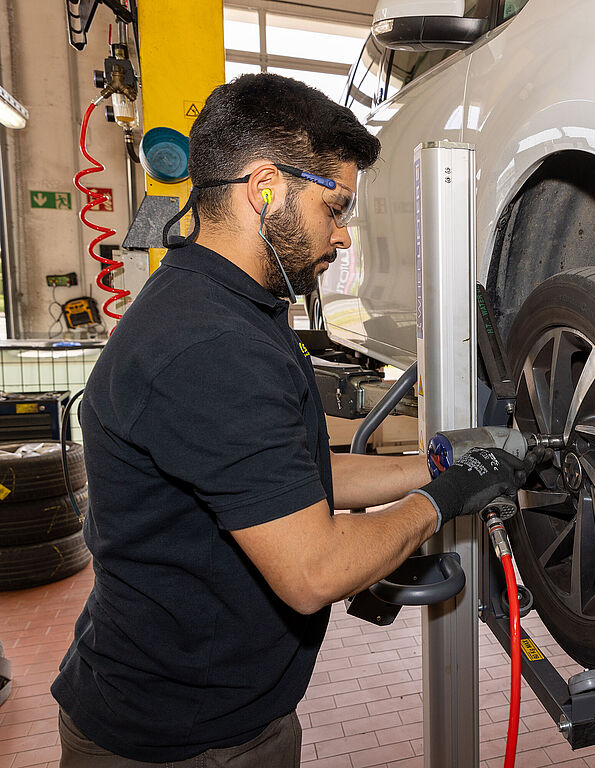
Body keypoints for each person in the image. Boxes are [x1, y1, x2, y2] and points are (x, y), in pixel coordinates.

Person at [52, 74, 539, 767]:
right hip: (178, 743)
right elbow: (313, 569)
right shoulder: (209, 346)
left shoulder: (230, 305)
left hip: (221, 714)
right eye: (334, 206)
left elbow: (295, 475)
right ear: (265, 188)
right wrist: (440, 501)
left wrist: (436, 460)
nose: (341, 235)